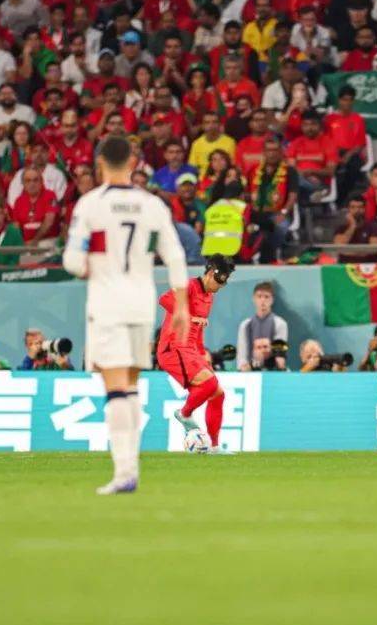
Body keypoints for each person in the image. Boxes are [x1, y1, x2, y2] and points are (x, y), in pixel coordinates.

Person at [62, 136, 189, 495]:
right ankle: (129, 468)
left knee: (115, 385)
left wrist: (87, 267)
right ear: (133, 163)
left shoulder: (91, 204)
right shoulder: (151, 205)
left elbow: (72, 260)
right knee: (130, 384)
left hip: (108, 304)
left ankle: (125, 472)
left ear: (100, 162)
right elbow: (175, 256)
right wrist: (181, 305)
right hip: (141, 303)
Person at [156, 255, 236, 454]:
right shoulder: (189, 286)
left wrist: (202, 352)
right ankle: (184, 414)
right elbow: (164, 299)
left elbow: (197, 329)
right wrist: (188, 316)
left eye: (224, 283)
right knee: (209, 384)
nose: (220, 286)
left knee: (218, 393)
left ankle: (214, 447)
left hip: (191, 350)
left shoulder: (209, 297)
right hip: (173, 348)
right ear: (210, 274)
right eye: (220, 281)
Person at [236, 282, 290, 371]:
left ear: (272, 300)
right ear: (254, 299)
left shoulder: (280, 324)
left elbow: (280, 359)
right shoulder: (245, 325)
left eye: (266, 297)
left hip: (273, 371)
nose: (263, 301)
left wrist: (267, 355)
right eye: (259, 296)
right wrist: (248, 366)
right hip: (250, 371)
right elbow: (242, 357)